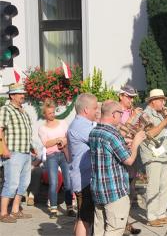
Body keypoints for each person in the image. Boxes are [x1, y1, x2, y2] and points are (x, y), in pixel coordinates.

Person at [89, 100, 146, 235]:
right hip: (114, 191)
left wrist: (125, 143)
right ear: (114, 114)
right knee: (115, 230)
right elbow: (129, 160)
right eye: (120, 114)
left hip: (98, 189)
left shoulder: (94, 131)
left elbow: (106, 152)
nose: (121, 118)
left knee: (99, 229)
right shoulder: (113, 134)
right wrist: (136, 142)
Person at [140, 89, 167, 227]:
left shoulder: (162, 114)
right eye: (161, 100)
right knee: (153, 187)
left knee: (166, 186)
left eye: (164, 100)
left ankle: (161, 213)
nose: (164, 102)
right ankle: (151, 216)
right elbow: (149, 134)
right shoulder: (145, 115)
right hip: (152, 154)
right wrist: (165, 122)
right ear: (152, 101)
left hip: (165, 153)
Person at [0, 83, 33, 223]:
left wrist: (32, 147)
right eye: (19, 93)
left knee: (24, 183)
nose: (22, 95)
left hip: (25, 152)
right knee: (11, 183)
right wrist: (3, 149)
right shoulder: (5, 109)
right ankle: (3, 213)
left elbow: (25, 132)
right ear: (12, 95)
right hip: (13, 152)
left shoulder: (23, 111)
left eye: (23, 93)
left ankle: (15, 210)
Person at [68, 93, 98, 236]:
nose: (97, 111)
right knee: (85, 219)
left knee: (83, 216)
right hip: (84, 179)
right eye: (95, 108)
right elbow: (99, 140)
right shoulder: (81, 125)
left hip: (84, 177)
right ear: (86, 110)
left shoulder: (81, 123)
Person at [38, 99, 74, 218]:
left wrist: (63, 141)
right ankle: (53, 209)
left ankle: (70, 208)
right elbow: (46, 144)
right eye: (50, 113)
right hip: (52, 156)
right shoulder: (42, 128)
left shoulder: (63, 122)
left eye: (53, 112)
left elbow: (68, 137)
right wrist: (57, 140)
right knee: (54, 182)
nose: (52, 115)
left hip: (63, 153)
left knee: (68, 182)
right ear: (45, 114)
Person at [117, 84, 142, 235]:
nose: (131, 100)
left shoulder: (132, 111)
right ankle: (121, 223)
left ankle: (125, 221)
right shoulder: (116, 111)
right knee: (123, 189)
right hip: (122, 151)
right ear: (121, 96)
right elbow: (120, 131)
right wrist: (133, 117)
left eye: (132, 97)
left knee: (131, 189)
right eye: (128, 97)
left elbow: (135, 130)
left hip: (132, 150)